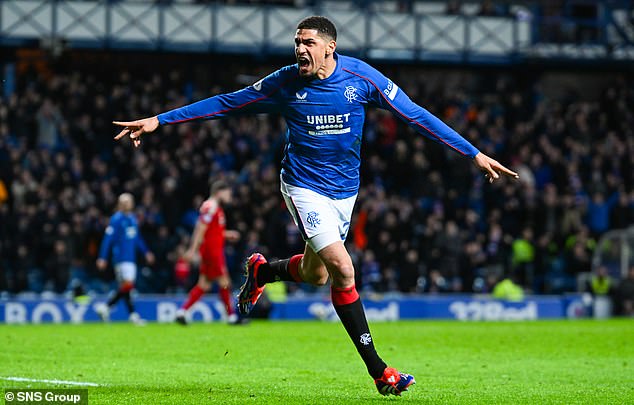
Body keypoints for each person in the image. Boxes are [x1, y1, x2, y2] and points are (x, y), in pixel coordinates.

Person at [112, 16, 518, 396]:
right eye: (296, 43)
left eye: (308, 42)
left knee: (316, 273)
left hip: (345, 192)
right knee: (344, 269)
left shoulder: (361, 78)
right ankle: (381, 372)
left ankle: (262, 271)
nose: (299, 49)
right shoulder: (285, 83)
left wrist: (473, 153)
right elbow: (227, 102)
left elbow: (414, 115)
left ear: (330, 47)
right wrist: (160, 121)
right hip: (303, 187)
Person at [175, 180, 244, 325]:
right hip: (212, 251)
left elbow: (212, 231)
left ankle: (182, 312)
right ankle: (231, 317)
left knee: (204, 284)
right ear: (220, 192)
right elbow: (201, 228)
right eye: (227, 193)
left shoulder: (213, 207)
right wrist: (192, 250)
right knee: (225, 282)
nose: (229, 196)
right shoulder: (211, 206)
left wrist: (226, 234)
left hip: (211, 249)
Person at [95, 193, 155, 325]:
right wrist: (102, 257)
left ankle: (107, 308)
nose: (127, 204)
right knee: (128, 285)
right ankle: (130, 314)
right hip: (121, 258)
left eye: (128, 202)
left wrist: (146, 252)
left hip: (131, 258)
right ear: (119, 204)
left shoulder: (133, 219)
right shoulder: (116, 219)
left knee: (126, 288)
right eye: (124, 202)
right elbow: (108, 239)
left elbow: (137, 239)